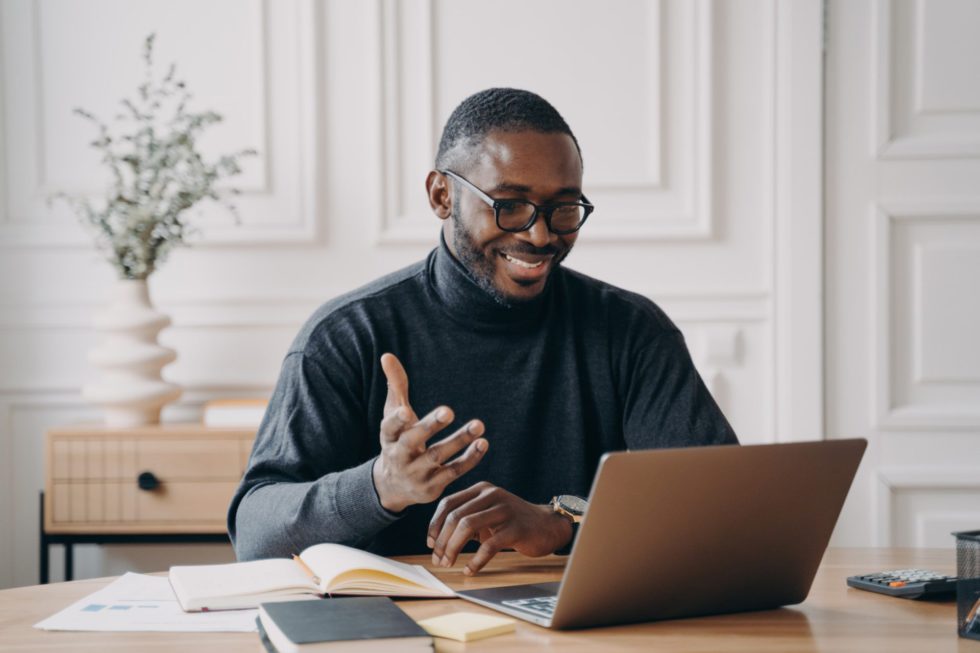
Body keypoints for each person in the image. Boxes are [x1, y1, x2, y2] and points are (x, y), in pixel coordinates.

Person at [228, 88, 737, 575]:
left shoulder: (631, 332)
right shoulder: (346, 336)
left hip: (574, 629)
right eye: (509, 205)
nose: (539, 235)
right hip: (396, 629)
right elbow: (254, 532)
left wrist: (563, 522)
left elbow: (721, 508)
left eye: (563, 209)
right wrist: (382, 485)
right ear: (441, 194)